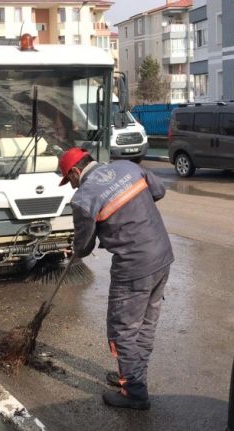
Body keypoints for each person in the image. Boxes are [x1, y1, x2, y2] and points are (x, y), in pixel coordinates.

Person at [58, 147, 174, 410]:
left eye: (69, 179)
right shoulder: (128, 167)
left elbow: (84, 246)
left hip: (134, 267)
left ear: (76, 171)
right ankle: (133, 377)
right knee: (145, 325)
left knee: (122, 329)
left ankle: (134, 392)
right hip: (163, 255)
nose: (71, 185)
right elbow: (158, 192)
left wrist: (75, 250)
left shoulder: (84, 197)